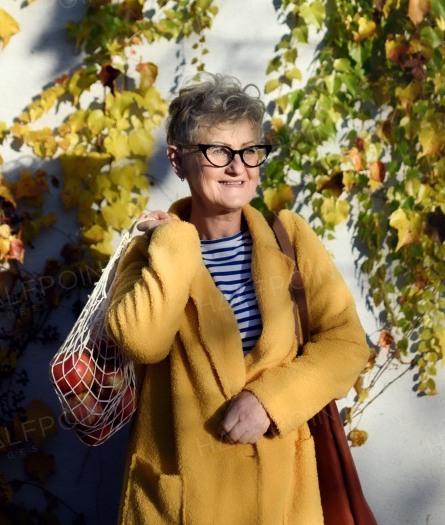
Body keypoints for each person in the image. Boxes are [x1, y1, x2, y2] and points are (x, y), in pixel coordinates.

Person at [105, 72, 373, 525]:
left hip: (281, 500)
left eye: (250, 151)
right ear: (177, 160)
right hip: (181, 505)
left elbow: (346, 345)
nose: (238, 167)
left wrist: (273, 402)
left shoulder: (288, 238)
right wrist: (174, 243)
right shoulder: (148, 251)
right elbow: (142, 342)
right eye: (218, 152)